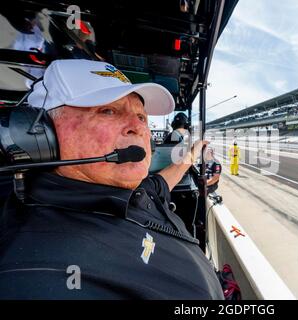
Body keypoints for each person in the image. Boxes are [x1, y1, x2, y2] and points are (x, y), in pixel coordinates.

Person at [0, 59, 223, 299]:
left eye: (141, 116)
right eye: (108, 110)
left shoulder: (127, 190)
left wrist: (191, 154)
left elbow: (161, 183)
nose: (137, 128)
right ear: (41, 134)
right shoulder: (40, 275)